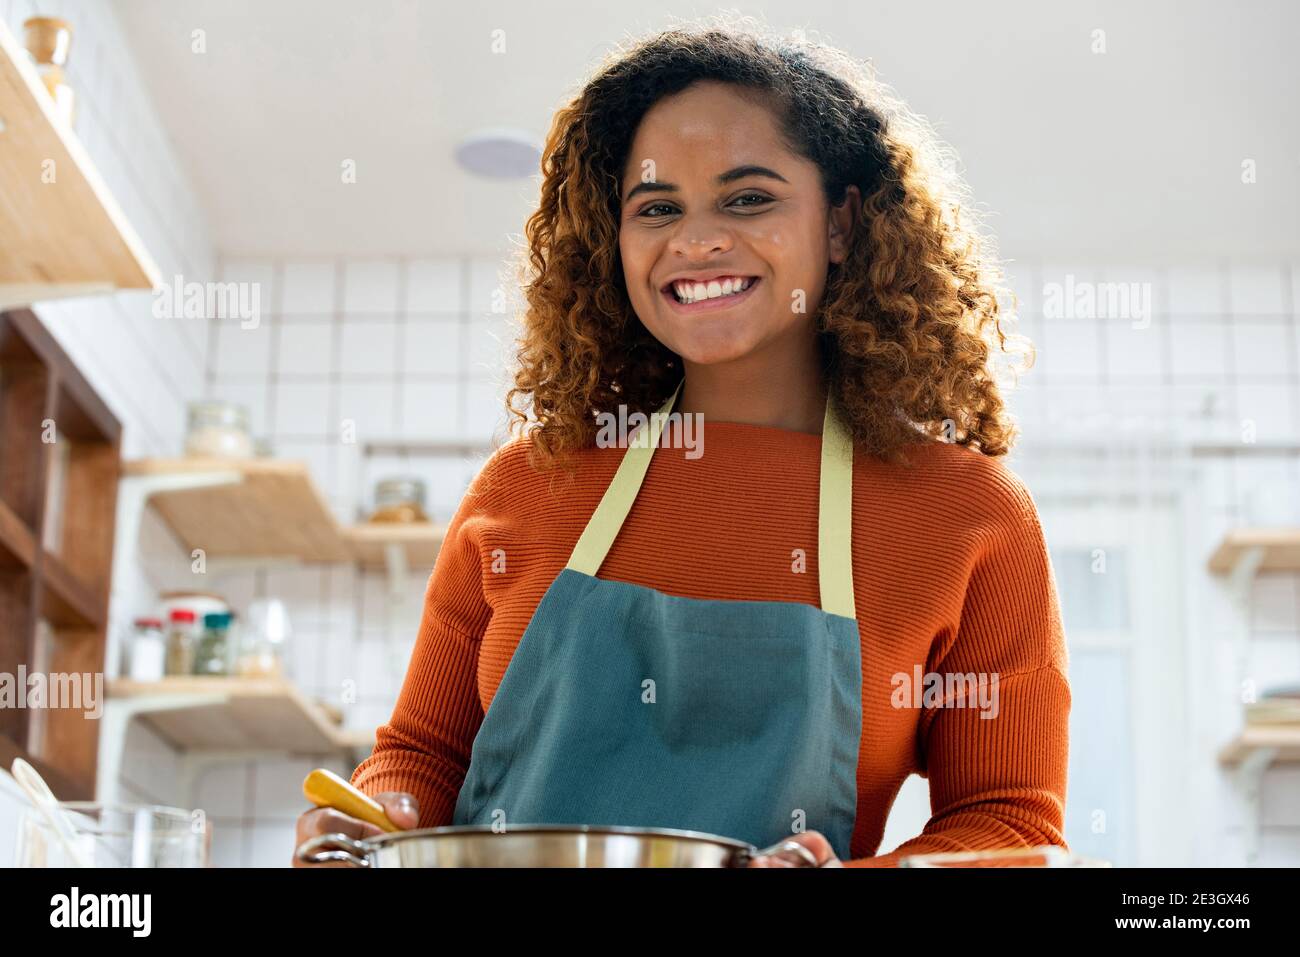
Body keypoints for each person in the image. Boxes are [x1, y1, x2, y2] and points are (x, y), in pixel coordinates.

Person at [296, 17, 1069, 869]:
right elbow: (423, 753)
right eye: (657, 207)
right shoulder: (523, 485)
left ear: (843, 223)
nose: (696, 241)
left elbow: (1010, 822)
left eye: (748, 197)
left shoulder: (969, 516)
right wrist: (378, 812)